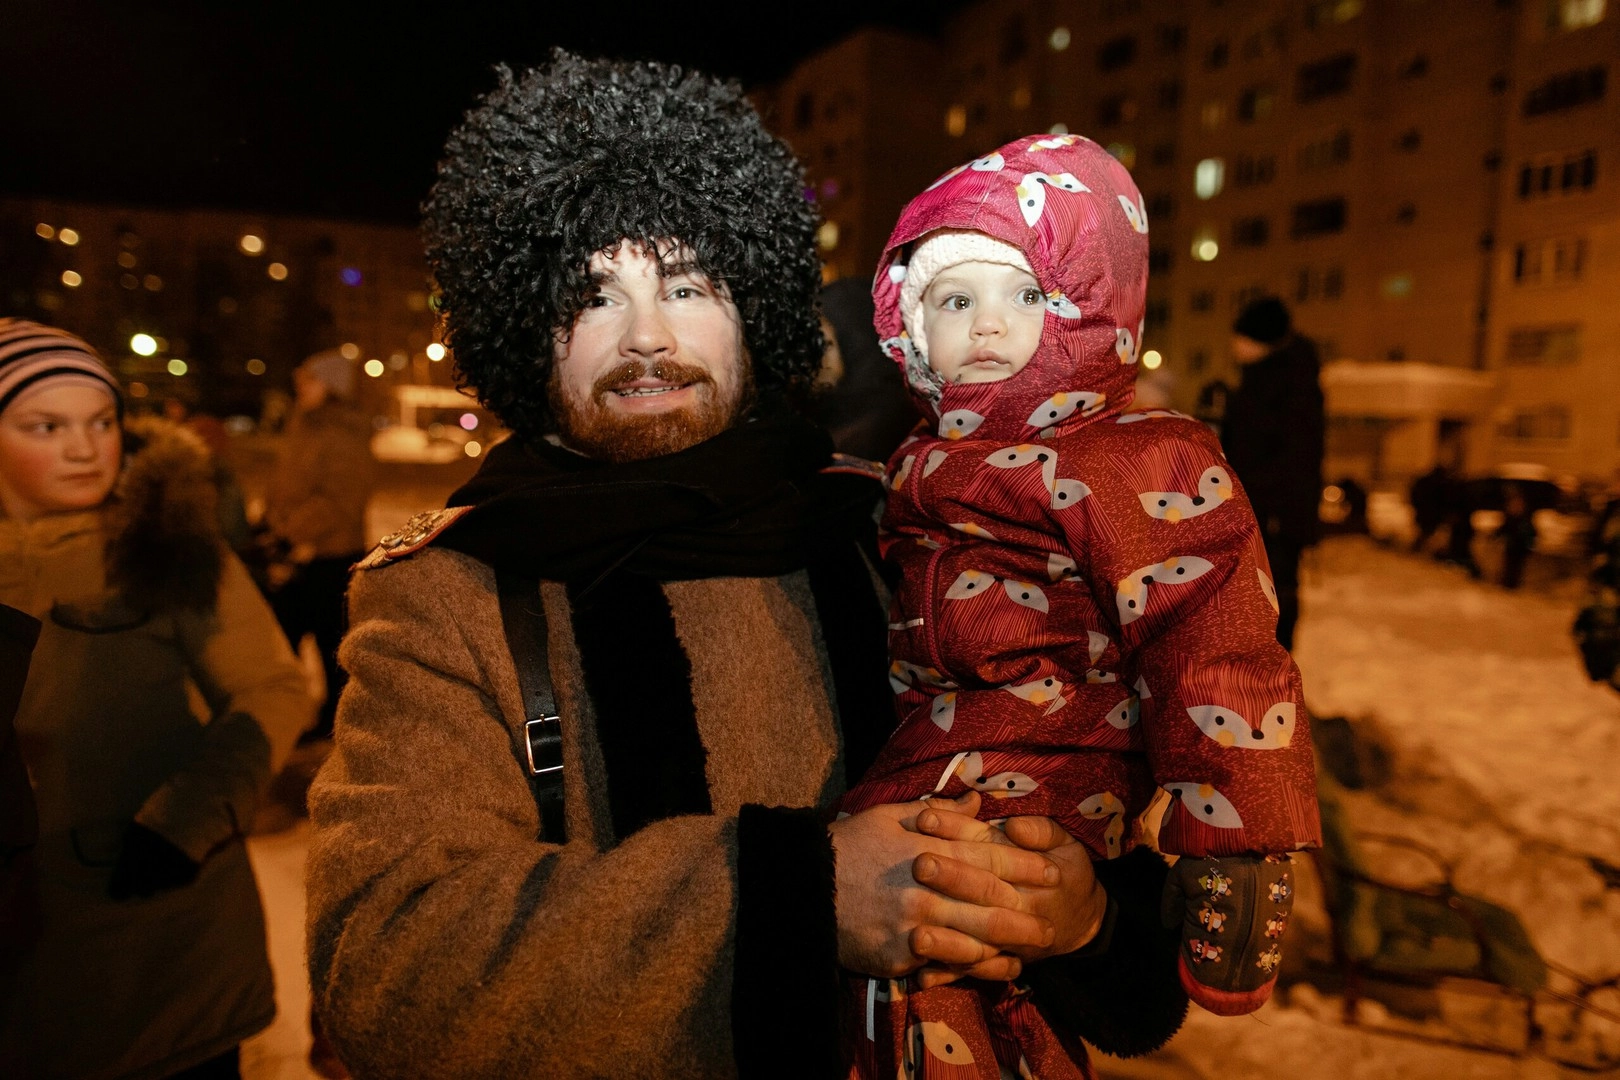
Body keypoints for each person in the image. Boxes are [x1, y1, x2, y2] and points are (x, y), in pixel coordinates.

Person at [305, 54, 1189, 1079]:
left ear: (752, 308)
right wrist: (799, 899)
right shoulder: (452, 594)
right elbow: (387, 968)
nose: (647, 338)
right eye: (591, 296)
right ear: (520, 328)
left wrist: (1084, 916)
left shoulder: (906, 531)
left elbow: (1094, 809)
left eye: (686, 285)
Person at [839, 134, 1322, 1077]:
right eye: (954, 301)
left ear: (1084, 310)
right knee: (925, 964)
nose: (986, 325)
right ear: (908, 326)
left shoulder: (1130, 455)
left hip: (1052, 751)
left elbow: (1210, 636)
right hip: (933, 750)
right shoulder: (917, 459)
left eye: (1025, 296)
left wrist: (1238, 838)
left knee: (957, 933)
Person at [0, 319, 312, 1079]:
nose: (85, 448)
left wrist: (191, 816)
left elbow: (270, 684)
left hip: (162, 942)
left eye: (100, 422)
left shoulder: (164, 543)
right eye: (47, 426)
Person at [263, 347, 375, 741]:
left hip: (330, 556)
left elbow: (340, 501)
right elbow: (286, 483)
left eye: (310, 379)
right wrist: (270, 521)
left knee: (331, 647)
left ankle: (335, 721)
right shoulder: (303, 425)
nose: (300, 386)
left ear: (332, 386)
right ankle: (280, 711)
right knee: (279, 639)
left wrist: (291, 532)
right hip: (296, 554)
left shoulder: (345, 433)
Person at [1220, 296, 1325, 651]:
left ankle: (1273, 668)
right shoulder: (1260, 381)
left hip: (1275, 517)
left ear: (1261, 340)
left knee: (1273, 595)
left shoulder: (1291, 387)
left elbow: (1298, 459)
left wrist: (1285, 516)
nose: (1235, 345)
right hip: (1257, 511)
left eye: (1242, 337)